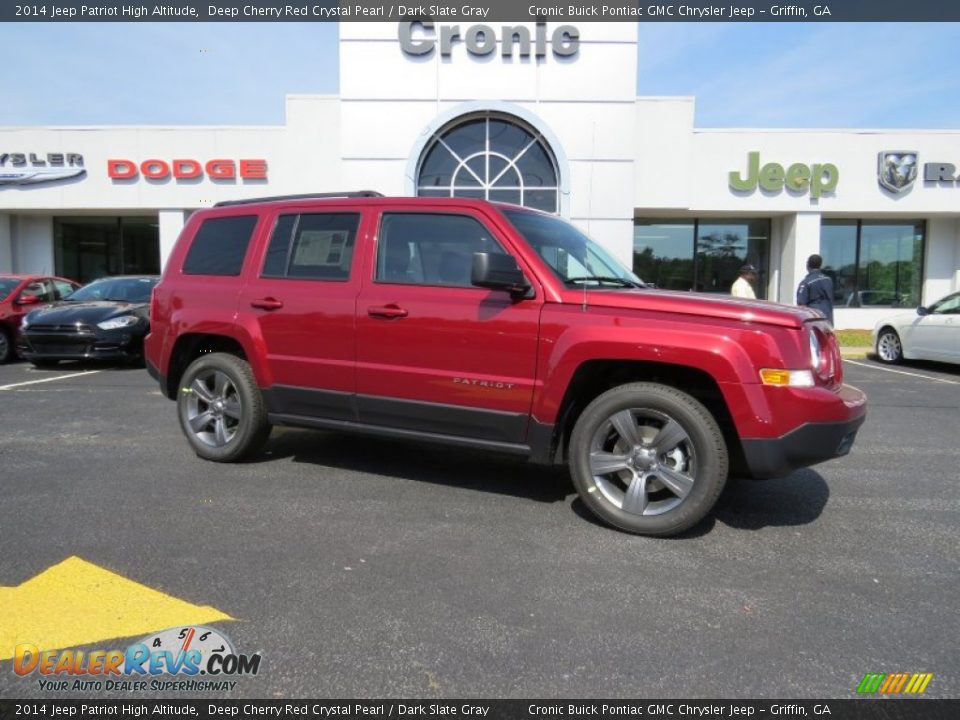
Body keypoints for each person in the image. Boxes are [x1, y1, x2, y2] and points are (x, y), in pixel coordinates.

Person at [797, 254, 835, 324]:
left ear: (808, 265)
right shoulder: (828, 280)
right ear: (820, 265)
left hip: (814, 320)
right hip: (828, 319)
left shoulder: (806, 283)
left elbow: (801, 305)